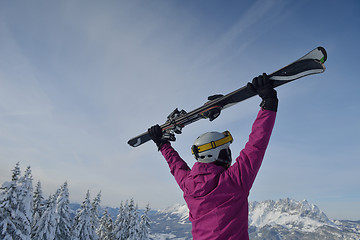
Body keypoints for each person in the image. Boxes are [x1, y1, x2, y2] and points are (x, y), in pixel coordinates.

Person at [148, 73, 278, 240]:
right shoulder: (234, 181)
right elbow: (256, 145)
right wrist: (269, 103)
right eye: (226, 151)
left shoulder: (189, 185)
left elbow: (176, 166)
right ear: (218, 153)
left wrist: (162, 144)